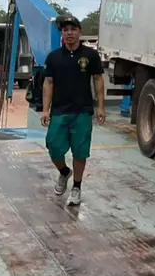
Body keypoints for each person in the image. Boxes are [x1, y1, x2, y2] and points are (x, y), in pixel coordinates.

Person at [41, 15, 106, 206]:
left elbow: (98, 80)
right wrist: (46, 110)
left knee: (80, 152)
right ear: (62, 33)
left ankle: (76, 187)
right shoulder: (53, 57)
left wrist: (100, 106)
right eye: (65, 30)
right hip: (59, 111)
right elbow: (48, 83)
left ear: (80, 32)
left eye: (73, 29)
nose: (69, 33)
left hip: (82, 111)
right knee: (53, 145)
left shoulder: (90, 56)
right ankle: (64, 172)